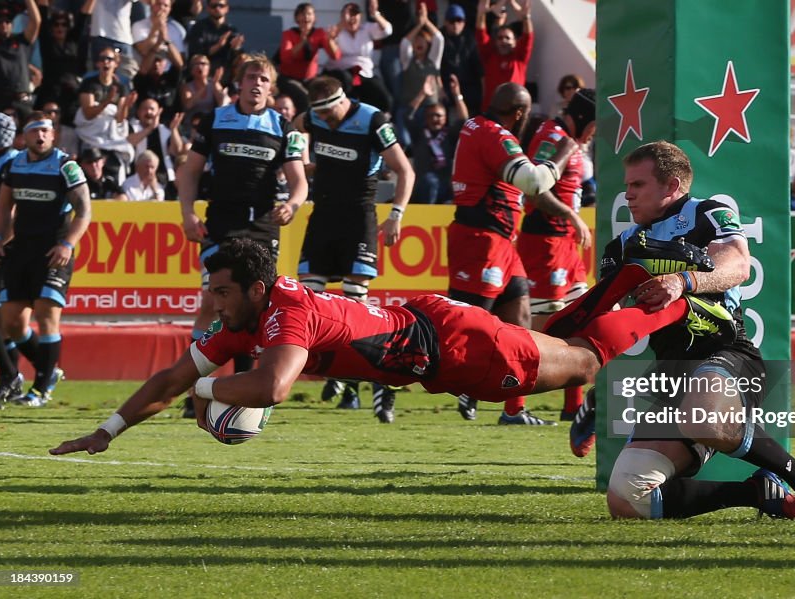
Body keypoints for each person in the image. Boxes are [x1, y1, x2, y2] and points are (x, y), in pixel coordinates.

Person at [49, 237, 736, 454]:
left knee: (582, 358)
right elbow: (174, 373)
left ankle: (666, 297)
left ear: (255, 288)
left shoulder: (287, 311)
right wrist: (106, 430)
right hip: (434, 335)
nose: (211, 301)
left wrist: (204, 395)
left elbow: (271, 389)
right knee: (563, 345)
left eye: (221, 290)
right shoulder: (251, 314)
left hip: (456, 349)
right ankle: (627, 275)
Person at [588, 141, 795, 526]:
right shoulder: (622, 245)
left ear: (671, 185)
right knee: (627, 497)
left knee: (703, 418)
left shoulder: (707, 213)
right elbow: (605, 316)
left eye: (638, 184)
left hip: (726, 353)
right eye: (627, 185)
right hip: (671, 371)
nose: (628, 194)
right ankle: (757, 492)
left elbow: (738, 266)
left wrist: (683, 280)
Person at [176, 53, 309, 418]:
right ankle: (194, 390)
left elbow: (299, 182)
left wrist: (294, 205)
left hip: (263, 229)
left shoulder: (284, 128)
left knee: (257, 308)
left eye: (264, 79)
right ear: (239, 82)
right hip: (220, 225)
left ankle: (242, 393)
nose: (257, 84)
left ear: (271, 87)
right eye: (251, 77)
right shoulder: (216, 120)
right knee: (212, 303)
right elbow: (188, 173)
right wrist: (187, 212)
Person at [448, 82, 586, 425]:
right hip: (480, 237)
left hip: (501, 242)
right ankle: (424, 381)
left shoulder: (476, 126)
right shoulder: (495, 135)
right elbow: (536, 184)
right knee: (466, 325)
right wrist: (564, 153)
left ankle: (514, 409)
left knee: (520, 322)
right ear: (520, 112)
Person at [291, 76, 414, 422]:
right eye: (320, 116)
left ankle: (366, 384)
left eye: (329, 115)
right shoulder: (314, 117)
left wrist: (396, 215)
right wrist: (301, 160)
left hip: (358, 218)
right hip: (323, 215)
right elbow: (296, 126)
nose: (324, 122)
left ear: (340, 102)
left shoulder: (373, 120)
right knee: (309, 304)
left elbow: (405, 171)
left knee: (353, 309)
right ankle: (342, 379)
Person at [0, 112, 91, 407]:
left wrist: (67, 244)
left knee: (47, 315)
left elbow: (84, 210)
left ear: (53, 135)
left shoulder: (66, 165)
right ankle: (48, 371)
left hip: (53, 252)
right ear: (24, 137)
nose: (40, 137)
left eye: (45, 131)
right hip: (21, 250)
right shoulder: (15, 165)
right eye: (35, 131)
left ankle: (39, 391)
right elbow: (4, 206)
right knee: (11, 321)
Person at [517, 87, 595, 421]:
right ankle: (513, 407)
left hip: (566, 247)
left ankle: (573, 407)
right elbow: (535, 188)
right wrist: (571, 216)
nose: (594, 132)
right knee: (539, 331)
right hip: (545, 242)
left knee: (584, 321)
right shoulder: (552, 136)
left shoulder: (573, 142)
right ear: (581, 118)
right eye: (593, 124)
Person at [75, 46, 136, 187]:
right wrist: (107, 101)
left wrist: (127, 105)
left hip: (111, 141)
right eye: (102, 59)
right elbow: (88, 114)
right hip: (91, 138)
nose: (106, 62)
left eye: (110, 59)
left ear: (116, 64)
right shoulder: (89, 84)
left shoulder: (121, 87)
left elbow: (120, 118)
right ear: (97, 64)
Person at [324, 0, 394, 113]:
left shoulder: (366, 28)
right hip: (341, 73)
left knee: (385, 98)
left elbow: (387, 30)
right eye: (348, 14)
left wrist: (375, 14)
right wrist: (343, 23)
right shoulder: (336, 30)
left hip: (363, 73)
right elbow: (333, 52)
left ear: (360, 16)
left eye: (355, 13)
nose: (351, 17)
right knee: (346, 84)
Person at [0, 112, 21, 408]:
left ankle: (12, 375)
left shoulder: (12, 163)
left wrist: (0, 242)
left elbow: (11, 211)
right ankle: (11, 376)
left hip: (5, 249)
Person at [409, 75, 467, 204]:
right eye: (431, 116)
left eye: (438, 116)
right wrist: (422, 94)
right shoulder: (419, 134)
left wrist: (457, 95)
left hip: (445, 185)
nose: (435, 119)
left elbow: (464, 121)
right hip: (423, 186)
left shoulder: (449, 135)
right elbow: (408, 115)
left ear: (445, 118)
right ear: (425, 118)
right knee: (431, 181)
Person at [395, 2, 444, 150]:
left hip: (429, 108)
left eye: (422, 40)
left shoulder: (433, 61)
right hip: (409, 108)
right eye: (416, 40)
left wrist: (426, 21)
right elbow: (404, 43)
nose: (419, 42)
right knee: (407, 142)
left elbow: (439, 39)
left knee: (427, 142)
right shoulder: (407, 61)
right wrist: (418, 26)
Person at [276, 2, 341, 114]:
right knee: (304, 96)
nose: (306, 17)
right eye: (303, 14)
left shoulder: (319, 33)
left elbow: (335, 56)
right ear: (297, 18)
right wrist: (302, 42)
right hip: (289, 78)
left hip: (310, 79)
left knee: (326, 92)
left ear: (314, 17)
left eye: (309, 14)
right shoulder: (289, 34)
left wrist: (330, 40)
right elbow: (286, 58)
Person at [476, 0, 532, 111]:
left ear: (515, 42)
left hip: (514, 114)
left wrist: (526, 18)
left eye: (507, 38)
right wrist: (481, 14)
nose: (503, 41)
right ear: (495, 42)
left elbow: (528, 36)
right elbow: (480, 33)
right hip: (491, 112)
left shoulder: (519, 58)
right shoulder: (489, 56)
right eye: (500, 38)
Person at [126, 96, 184, 199]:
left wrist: (174, 130)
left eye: (152, 109)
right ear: (138, 112)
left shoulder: (165, 129)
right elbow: (130, 141)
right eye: (145, 109)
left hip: (164, 177)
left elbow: (178, 150)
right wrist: (150, 128)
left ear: (159, 112)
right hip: (138, 176)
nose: (148, 112)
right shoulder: (132, 126)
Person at [439, 3, 483, 118]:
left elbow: (478, 67)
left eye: (459, 21)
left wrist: (484, 92)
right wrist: (441, 88)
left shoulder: (470, 39)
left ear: (464, 23)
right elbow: (434, 66)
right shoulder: (439, 39)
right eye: (452, 21)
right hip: (446, 88)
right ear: (445, 22)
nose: (455, 24)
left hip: (468, 88)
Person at [0, 0, 40, 112]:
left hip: (22, 99)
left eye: (7, 21)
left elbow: (36, 21)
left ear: (12, 24)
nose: (4, 25)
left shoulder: (22, 41)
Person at [186, 0, 243, 74]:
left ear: (227, 8)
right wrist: (219, 45)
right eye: (213, 6)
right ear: (208, 8)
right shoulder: (199, 27)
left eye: (221, 5)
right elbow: (196, 54)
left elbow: (235, 57)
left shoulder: (231, 30)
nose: (217, 8)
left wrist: (236, 48)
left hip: (225, 73)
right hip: (202, 75)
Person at [132, 0, 186, 68]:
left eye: (165, 6)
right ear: (152, 6)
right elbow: (143, 51)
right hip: (146, 72)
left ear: (170, 9)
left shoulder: (175, 30)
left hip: (168, 74)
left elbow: (179, 63)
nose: (162, 8)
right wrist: (155, 29)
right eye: (158, 4)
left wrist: (165, 38)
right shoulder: (139, 25)